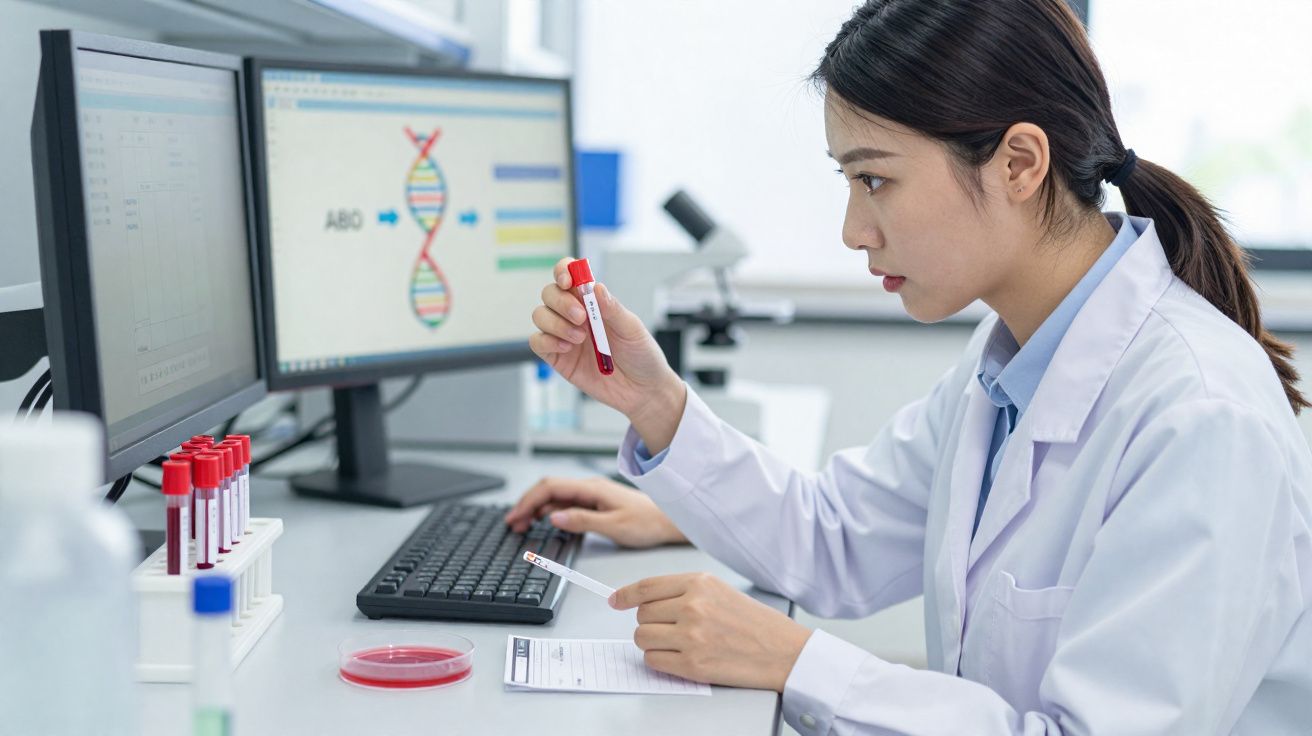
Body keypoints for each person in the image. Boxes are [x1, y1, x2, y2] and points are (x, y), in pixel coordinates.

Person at [504, 0, 1312, 732]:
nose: (855, 230)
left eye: (875, 179)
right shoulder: (1009, 366)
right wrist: (656, 404)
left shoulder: (1199, 420)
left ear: (1020, 164)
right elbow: (833, 543)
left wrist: (793, 660)